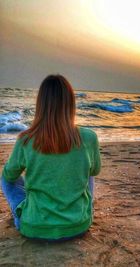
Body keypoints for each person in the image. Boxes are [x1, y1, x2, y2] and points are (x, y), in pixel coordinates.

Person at [1, 74, 101, 241]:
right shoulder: (89, 137)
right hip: (78, 226)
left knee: (6, 179)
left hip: (34, 228)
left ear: (40, 104)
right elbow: (95, 170)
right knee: (88, 171)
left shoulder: (26, 139)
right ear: (70, 104)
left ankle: (20, 213)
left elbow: (9, 176)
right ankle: (85, 209)